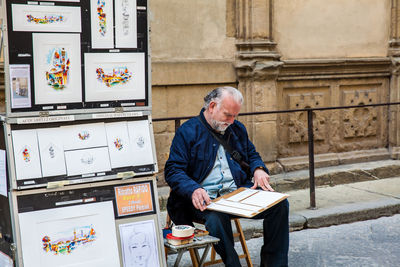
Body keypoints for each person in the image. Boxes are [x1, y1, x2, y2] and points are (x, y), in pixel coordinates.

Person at [165, 86, 289, 267]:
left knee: (279, 205)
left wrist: (258, 169)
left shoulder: (237, 128)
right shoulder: (188, 131)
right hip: (204, 198)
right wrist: (193, 189)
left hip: (236, 193)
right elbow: (173, 170)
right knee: (216, 217)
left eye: (234, 116)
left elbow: (252, 154)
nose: (231, 121)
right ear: (212, 106)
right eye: (227, 115)